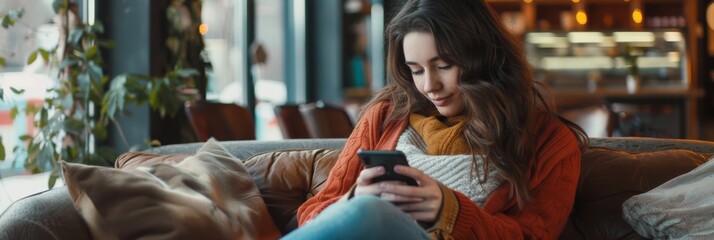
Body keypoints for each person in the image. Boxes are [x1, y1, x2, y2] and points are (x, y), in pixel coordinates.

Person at [283, 0, 588, 239]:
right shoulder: (386, 116)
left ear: (482, 56)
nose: (429, 86)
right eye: (416, 70)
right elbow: (309, 216)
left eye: (443, 65)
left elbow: (533, 236)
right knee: (368, 207)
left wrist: (452, 212)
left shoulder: (550, 141)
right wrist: (352, 199)